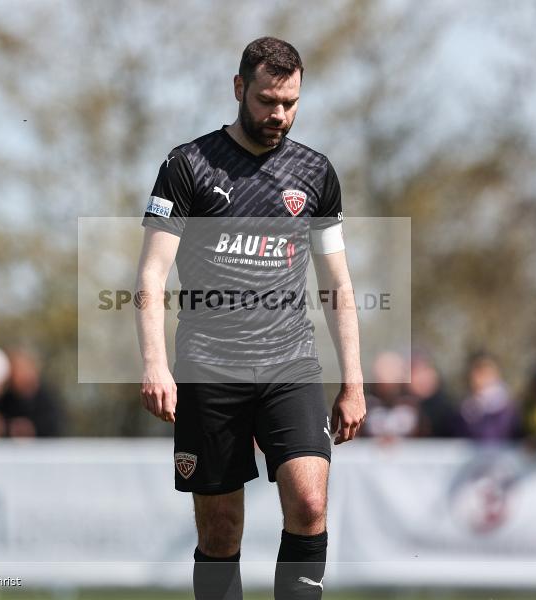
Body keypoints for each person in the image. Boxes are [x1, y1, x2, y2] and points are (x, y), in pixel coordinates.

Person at [135, 37, 365, 599]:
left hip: (290, 362)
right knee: (221, 532)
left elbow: (337, 283)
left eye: (290, 102)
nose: (278, 115)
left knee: (310, 503)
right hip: (209, 369)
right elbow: (150, 275)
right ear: (239, 89)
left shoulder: (315, 172)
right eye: (266, 100)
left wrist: (353, 381)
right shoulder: (187, 165)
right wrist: (155, 365)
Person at [0, 347, 65, 438]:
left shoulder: (48, 399)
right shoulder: (5, 399)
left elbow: (56, 426)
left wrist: (33, 429)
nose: (21, 375)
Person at [458, 351, 517, 442]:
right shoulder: (463, 408)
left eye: (484, 372)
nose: (477, 378)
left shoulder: (509, 410)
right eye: (476, 372)